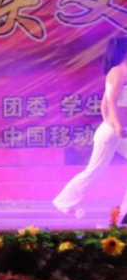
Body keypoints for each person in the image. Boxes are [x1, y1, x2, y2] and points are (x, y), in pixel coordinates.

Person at [54, 37, 127, 221]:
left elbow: (104, 103)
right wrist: (116, 125)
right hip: (113, 132)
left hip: (117, 130)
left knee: (95, 170)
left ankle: (125, 211)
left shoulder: (121, 71)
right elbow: (111, 101)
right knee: (94, 171)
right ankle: (63, 201)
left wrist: (111, 122)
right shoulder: (119, 71)